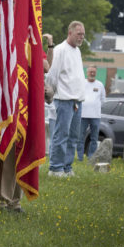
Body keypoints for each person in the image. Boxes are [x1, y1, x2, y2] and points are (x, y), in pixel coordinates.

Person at [46, 21, 86, 177]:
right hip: (63, 100)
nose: (81, 37)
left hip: (77, 101)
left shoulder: (77, 51)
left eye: (83, 34)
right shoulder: (60, 50)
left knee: (73, 137)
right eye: (79, 34)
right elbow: (51, 75)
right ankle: (55, 168)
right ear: (70, 33)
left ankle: (67, 167)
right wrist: (51, 95)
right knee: (61, 135)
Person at [77, 65, 106, 160]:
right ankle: (80, 157)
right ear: (87, 72)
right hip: (82, 115)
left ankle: (91, 157)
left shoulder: (100, 85)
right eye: (90, 71)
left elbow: (103, 100)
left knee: (94, 138)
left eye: (94, 72)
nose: (92, 73)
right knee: (80, 137)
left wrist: (95, 107)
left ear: (96, 73)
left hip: (95, 116)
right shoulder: (81, 83)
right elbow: (77, 97)